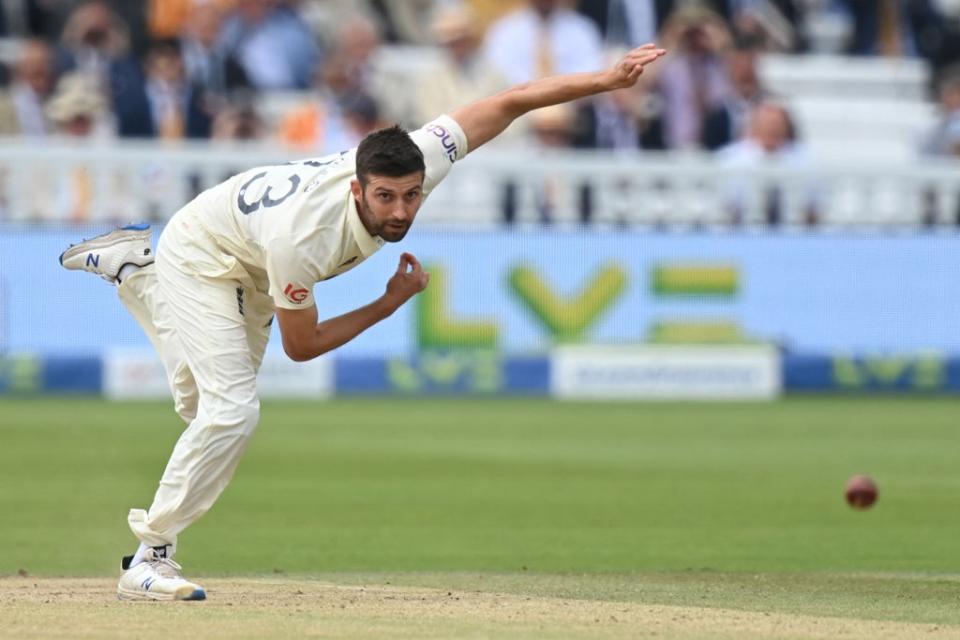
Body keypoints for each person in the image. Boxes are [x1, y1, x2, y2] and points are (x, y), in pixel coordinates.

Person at [59, 43, 667, 602]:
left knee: (199, 408)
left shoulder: (421, 154)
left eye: (411, 195)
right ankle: (149, 558)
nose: (401, 211)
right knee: (231, 412)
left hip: (248, 255)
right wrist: (390, 301)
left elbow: (507, 103)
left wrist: (606, 79)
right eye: (385, 198)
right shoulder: (306, 239)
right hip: (203, 254)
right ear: (357, 189)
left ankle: (136, 272)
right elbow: (303, 346)